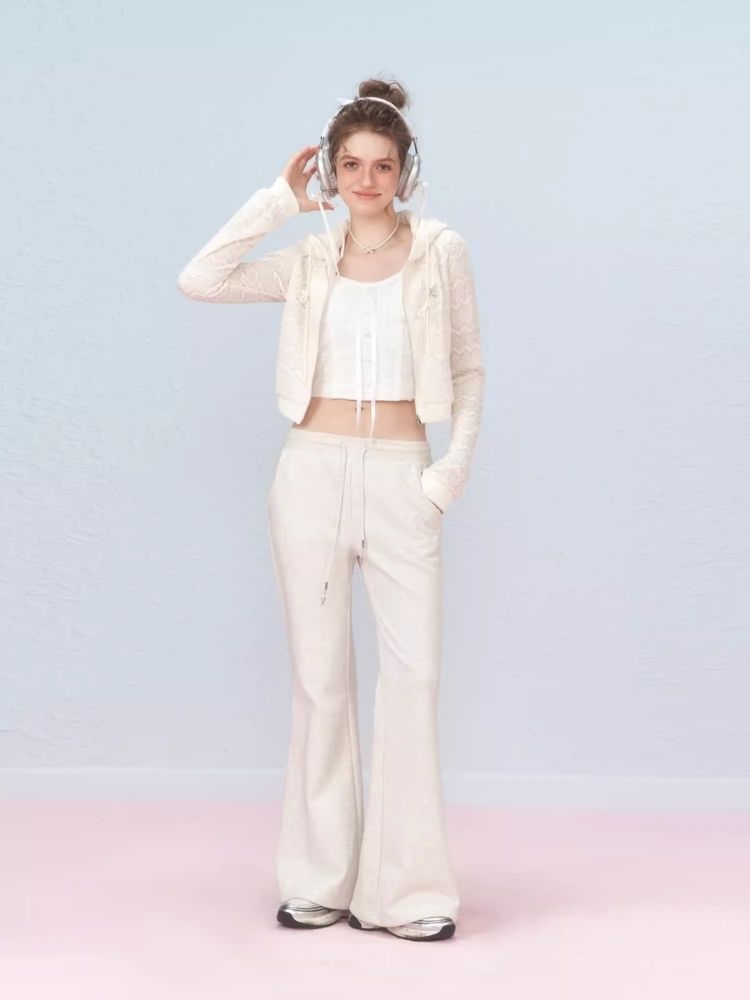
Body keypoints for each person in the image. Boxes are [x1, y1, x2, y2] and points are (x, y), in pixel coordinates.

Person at [177, 77, 484, 942]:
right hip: (309, 473)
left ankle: (410, 892)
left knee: (413, 681)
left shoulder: (441, 252)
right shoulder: (309, 259)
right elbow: (201, 278)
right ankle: (318, 881)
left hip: (401, 476)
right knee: (320, 684)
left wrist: (448, 474)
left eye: (382, 165)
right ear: (331, 171)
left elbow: (468, 368)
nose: (366, 180)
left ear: (405, 171)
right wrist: (279, 200)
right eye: (350, 165)